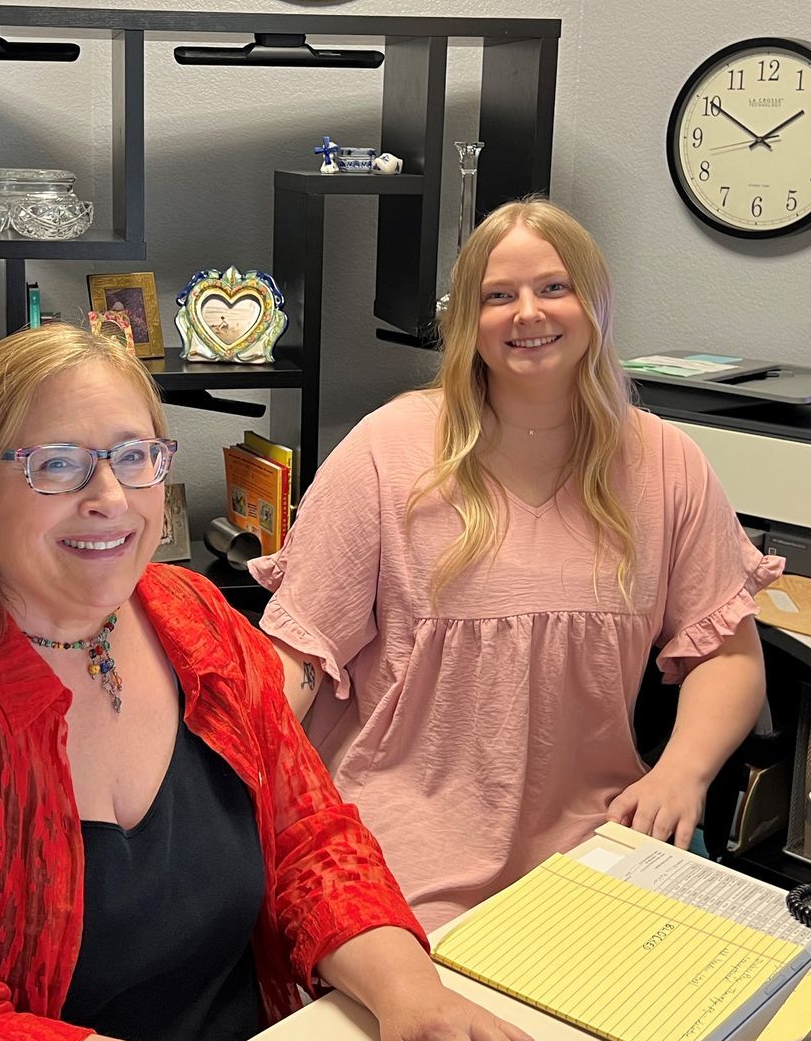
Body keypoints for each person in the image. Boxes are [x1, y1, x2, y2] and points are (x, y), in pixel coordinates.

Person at [0, 326, 559, 1041]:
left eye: (135, 458)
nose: (109, 497)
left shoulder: (191, 615)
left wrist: (412, 993)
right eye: (57, 464)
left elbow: (310, 839)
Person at [255, 199, 780, 931]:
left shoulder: (667, 463)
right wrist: (239, 805)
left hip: (593, 839)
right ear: (468, 322)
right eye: (498, 296)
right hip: (400, 845)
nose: (527, 313)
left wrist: (681, 773)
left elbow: (726, 653)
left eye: (553, 288)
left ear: (594, 303)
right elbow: (298, 653)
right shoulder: (389, 449)